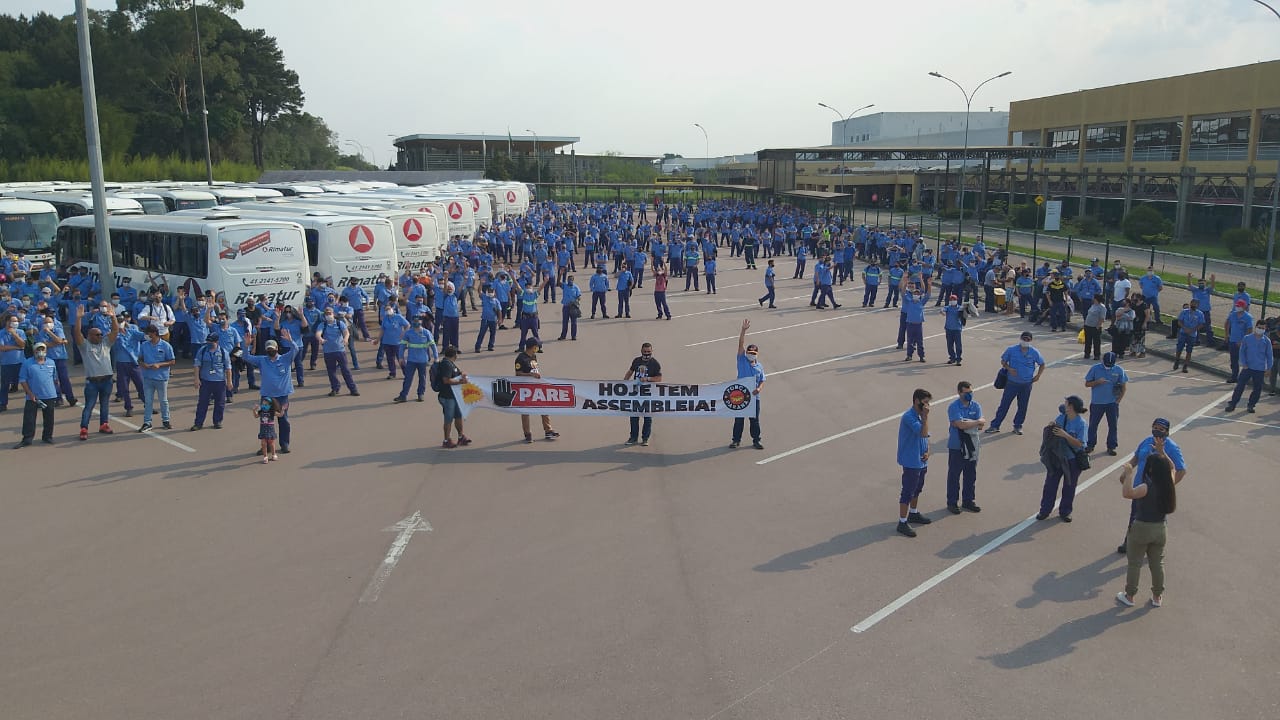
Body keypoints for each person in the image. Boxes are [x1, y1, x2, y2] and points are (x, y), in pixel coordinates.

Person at [1118, 418, 1187, 554]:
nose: (1157, 431)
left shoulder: (1172, 447)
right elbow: (1136, 457)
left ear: (1167, 432)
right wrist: (1126, 473)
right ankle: (1129, 541)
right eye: (1155, 427)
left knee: (1156, 518)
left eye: (1161, 429)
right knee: (1135, 515)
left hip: (1158, 492)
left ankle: (1154, 543)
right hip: (1140, 487)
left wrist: (1169, 486)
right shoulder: (1146, 441)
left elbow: (1181, 470)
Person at [1116, 454, 1176, 608]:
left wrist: (1129, 473)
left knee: (1134, 563)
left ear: (1150, 469)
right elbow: (1173, 468)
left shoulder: (1146, 487)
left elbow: (1127, 493)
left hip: (1142, 527)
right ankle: (1157, 596)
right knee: (1157, 563)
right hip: (1160, 528)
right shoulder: (1169, 483)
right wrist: (1163, 454)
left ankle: (1130, 595)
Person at [242, 330, 298, 455]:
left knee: (283, 420)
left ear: (277, 348)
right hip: (267, 396)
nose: (270, 350)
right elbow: (245, 357)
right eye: (268, 349)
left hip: (282, 396)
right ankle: (266, 446)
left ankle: (284, 444)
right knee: (265, 421)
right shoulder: (262, 360)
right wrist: (246, 346)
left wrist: (290, 341)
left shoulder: (285, 358)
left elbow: (295, 350)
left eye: (272, 348)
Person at [1037, 395, 1088, 522]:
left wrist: (1065, 435)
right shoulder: (1061, 418)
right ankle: (1045, 510)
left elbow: (1081, 444)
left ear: (1071, 406)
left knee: (1069, 486)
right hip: (1058, 458)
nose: (1064, 405)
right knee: (1050, 485)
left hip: (1072, 460)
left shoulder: (1081, 423)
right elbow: (1054, 431)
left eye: (1066, 403)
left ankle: (1065, 512)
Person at [72, 303, 119, 440]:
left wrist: (113, 317)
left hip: (107, 380)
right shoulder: (84, 346)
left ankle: (104, 424)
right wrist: (79, 318)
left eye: (100, 334)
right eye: (97, 335)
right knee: (89, 406)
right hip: (92, 382)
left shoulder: (106, 343)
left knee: (105, 404)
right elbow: (76, 333)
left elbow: (115, 331)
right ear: (90, 335)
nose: (100, 336)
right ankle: (84, 428)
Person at [986, 331, 1046, 436]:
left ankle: (1018, 426)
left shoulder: (1034, 352)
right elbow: (1003, 361)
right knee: (1004, 404)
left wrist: (1038, 376)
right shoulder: (1011, 350)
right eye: (1024, 339)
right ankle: (995, 425)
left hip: (1026, 384)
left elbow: (1042, 364)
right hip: (1012, 383)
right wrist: (1009, 368)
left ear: (1030, 341)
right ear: (1020, 338)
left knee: (1022, 406)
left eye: (1028, 339)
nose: (1025, 341)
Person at [895, 388, 933, 537]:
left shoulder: (920, 416)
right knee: (908, 491)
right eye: (925, 403)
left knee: (918, 488)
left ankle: (913, 513)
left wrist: (928, 451)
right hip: (911, 460)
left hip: (921, 459)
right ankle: (902, 522)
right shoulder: (909, 417)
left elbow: (926, 436)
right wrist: (925, 418)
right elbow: (922, 432)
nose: (927, 406)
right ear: (917, 401)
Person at [945, 380, 985, 514]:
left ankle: (968, 500)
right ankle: (952, 502)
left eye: (971, 392)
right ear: (959, 392)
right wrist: (975, 422)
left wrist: (970, 423)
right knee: (954, 475)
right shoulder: (954, 407)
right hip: (957, 446)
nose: (969, 395)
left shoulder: (976, 406)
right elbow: (959, 425)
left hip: (972, 446)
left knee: (970, 474)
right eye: (966, 392)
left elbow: (981, 425)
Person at [14, 341, 58, 448]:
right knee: (29, 418)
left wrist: (56, 391)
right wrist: (30, 393)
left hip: (49, 395)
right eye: (38, 350)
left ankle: (47, 436)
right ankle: (27, 439)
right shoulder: (27, 363)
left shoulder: (51, 362)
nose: (40, 352)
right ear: (34, 351)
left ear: (46, 351)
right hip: (33, 396)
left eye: (43, 349)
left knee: (49, 417)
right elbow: (23, 380)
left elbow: (55, 378)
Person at [514, 338, 559, 443]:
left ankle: (548, 430)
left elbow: (535, 369)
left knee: (544, 406)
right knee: (525, 411)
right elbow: (518, 374)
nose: (538, 348)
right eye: (537, 346)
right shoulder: (520, 358)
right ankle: (527, 434)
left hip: (536, 387)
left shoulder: (534, 356)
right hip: (525, 388)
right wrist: (531, 375)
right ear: (533, 347)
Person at [729, 320, 765, 450]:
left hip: (754, 398)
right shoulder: (741, 360)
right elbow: (740, 344)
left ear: (757, 354)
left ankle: (756, 440)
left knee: (754, 420)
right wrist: (743, 331)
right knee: (739, 420)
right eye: (749, 353)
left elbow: (762, 380)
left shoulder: (759, 367)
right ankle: (736, 440)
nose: (751, 355)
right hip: (740, 395)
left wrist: (759, 389)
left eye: (753, 353)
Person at [1084, 351, 1128, 456]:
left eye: (1110, 365)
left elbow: (1123, 387)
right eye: (1106, 365)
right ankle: (1090, 444)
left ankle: (1111, 446)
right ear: (1102, 361)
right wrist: (1097, 382)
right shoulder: (1095, 369)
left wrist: (1118, 401)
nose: (1108, 367)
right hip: (1097, 403)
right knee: (1093, 425)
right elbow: (1087, 383)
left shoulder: (1119, 370)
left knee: (1113, 426)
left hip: (1112, 404)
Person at [1224, 322, 1274, 413]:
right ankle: (1232, 404)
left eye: (1263, 328)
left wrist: (1269, 368)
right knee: (1239, 386)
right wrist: (1244, 363)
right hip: (1247, 368)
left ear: (1265, 329)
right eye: (1259, 327)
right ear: (1256, 327)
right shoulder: (1247, 338)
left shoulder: (1266, 341)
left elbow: (1269, 356)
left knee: (1257, 389)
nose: (1261, 329)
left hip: (1260, 369)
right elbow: (1242, 351)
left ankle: (1251, 405)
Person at [190, 333, 233, 431]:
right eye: (208, 341)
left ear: (217, 341)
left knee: (220, 403)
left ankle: (217, 421)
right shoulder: (203, 350)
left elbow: (228, 367)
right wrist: (196, 379)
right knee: (202, 403)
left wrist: (229, 381)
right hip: (206, 381)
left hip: (219, 381)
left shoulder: (223, 351)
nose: (209, 343)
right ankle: (198, 423)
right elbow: (197, 365)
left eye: (211, 341)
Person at [137, 325, 176, 432]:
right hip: (148, 377)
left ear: (154, 333)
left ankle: (166, 421)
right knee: (148, 401)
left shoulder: (165, 345)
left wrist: (159, 365)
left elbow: (172, 361)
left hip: (161, 378)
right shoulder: (144, 345)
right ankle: (147, 422)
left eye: (148, 333)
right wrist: (143, 364)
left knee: (163, 400)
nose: (147, 335)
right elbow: (139, 359)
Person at [623, 341, 662, 446]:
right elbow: (630, 372)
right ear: (641, 351)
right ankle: (633, 438)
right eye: (645, 351)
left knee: (647, 417)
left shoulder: (655, 363)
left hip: (648, 394)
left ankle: (645, 438)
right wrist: (623, 383)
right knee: (634, 416)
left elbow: (659, 378)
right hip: (635, 393)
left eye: (648, 351)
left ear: (652, 351)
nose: (646, 353)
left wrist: (648, 379)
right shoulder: (636, 361)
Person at [316, 307, 359, 397]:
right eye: (326, 314)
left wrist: (346, 339)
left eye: (330, 313)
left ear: (333, 314)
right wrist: (320, 338)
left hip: (340, 350)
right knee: (331, 372)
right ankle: (335, 388)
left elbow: (346, 332)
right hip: (328, 351)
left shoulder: (340, 323)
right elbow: (318, 333)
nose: (328, 315)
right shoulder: (322, 325)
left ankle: (353, 389)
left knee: (345, 370)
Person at [433, 345, 470, 448]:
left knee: (458, 416)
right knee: (448, 419)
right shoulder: (447, 365)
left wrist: (462, 373)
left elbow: (457, 372)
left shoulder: (450, 363)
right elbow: (446, 380)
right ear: (455, 355)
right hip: (447, 397)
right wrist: (460, 381)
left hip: (454, 397)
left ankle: (460, 437)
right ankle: (446, 440)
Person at [395, 313, 437, 403]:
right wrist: (400, 357)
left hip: (423, 360)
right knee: (408, 378)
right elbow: (402, 345)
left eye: (417, 321)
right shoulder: (408, 333)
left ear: (421, 321)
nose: (416, 322)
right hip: (411, 360)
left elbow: (433, 345)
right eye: (414, 321)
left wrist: (436, 357)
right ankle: (403, 395)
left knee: (422, 378)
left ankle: (420, 394)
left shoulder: (426, 333)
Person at [1223, 300, 1254, 384]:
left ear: (1244, 307)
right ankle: (1234, 376)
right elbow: (1227, 323)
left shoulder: (1248, 317)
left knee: (1245, 360)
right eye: (1236, 305)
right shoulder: (1233, 314)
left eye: (1239, 306)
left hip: (1243, 343)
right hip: (1233, 341)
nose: (1237, 307)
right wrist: (1226, 335)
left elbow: (1249, 330)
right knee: (1233, 360)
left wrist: (1243, 341)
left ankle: (1245, 377)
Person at [1171, 299, 1204, 373]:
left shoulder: (1200, 314)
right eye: (1192, 303)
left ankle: (1185, 366)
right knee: (1179, 348)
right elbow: (1179, 321)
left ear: (1198, 305)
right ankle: (1177, 361)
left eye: (1195, 304)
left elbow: (1201, 324)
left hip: (1192, 335)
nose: (1193, 305)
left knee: (1189, 350)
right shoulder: (1184, 312)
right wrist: (1184, 328)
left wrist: (1193, 330)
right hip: (1183, 333)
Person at [254, 396, 281, 463]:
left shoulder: (272, 412)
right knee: (263, 443)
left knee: (271, 443)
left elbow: (280, 415)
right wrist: (254, 410)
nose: (264, 406)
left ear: (270, 405)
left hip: (270, 430)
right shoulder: (261, 412)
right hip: (263, 430)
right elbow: (256, 416)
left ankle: (273, 454)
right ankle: (265, 456)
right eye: (263, 404)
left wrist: (282, 410)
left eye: (266, 405)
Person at [942, 294, 966, 365]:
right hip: (948, 329)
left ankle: (958, 359)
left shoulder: (960, 308)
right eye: (951, 300)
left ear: (956, 300)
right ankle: (952, 358)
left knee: (958, 345)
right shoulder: (947, 307)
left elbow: (966, 313)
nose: (953, 301)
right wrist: (942, 312)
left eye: (954, 299)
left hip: (957, 329)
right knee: (950, 345)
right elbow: (943, 310)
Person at [1082, 295, 1107, 360]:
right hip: (1088, 325)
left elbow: (1102, 318)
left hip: (1095, 327)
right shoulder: (1093, 305)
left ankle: (1097, 355)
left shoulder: (1102, 307)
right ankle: (1087, 353)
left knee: (1096, 342)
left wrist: (1098, 326)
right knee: (1088, 341)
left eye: (1094, 298)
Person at [558, 274, 581, 340]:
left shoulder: (576, 287)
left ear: (573, 280)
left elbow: (579, 296)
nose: (570, 281)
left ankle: (573, 336)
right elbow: (558, 283)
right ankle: (563, 336)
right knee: (565, 322)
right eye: (569, 279)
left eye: (571, 279)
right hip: (566, 307)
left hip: (573, 307)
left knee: (574, 322)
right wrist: (560, 274)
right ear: (567, 280)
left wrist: (576, 301)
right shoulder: (564, 286)